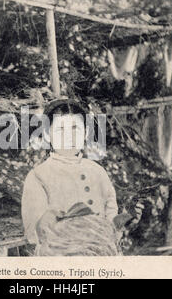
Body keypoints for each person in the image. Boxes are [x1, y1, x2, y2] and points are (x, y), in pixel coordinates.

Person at [21, 99, 119, 246]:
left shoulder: (97, 171)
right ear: (47, 135)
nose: (69, 136)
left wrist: (115, 228)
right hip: (60, 254)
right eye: (60, 130)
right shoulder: (38, 176)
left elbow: (111, 210)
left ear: (86, 133)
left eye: (75, 129)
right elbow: (33, 232)